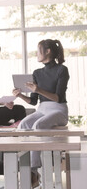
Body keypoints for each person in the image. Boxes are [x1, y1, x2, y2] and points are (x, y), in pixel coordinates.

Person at [13, 39, 69, 188]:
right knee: (24, 123)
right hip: (42, 109)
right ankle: (25, 165)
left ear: (48, 51)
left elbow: (58, 97)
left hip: (58, 110)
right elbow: (33, 102)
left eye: (38, 51)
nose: (36, 54)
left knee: (39, 124)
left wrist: (38, 89)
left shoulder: (62, 70)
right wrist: (19, 95)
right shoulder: (37, 73)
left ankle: (33, 169)